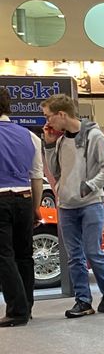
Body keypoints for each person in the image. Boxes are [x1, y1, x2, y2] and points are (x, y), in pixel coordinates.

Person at [41, 94, 104, 318]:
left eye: (48, 117)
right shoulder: (62, 140)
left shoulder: (95, 136)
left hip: (90, 203)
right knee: (74, 256)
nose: (47, 122)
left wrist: (88, 186)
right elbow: (56, 172)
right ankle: (83, 301)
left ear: (62, 114)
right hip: (66, 205)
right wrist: (48, 145)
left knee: (93, 251)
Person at [0, 87, 43, 328]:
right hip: (25, 197)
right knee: (24, 254)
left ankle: (17, 310)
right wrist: (36, 207)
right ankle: (27, 304)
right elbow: (36, 175)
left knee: (3, 255)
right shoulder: (29, 136)